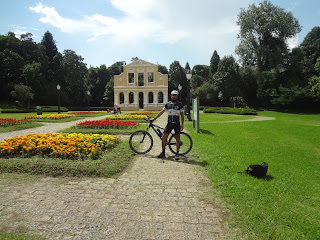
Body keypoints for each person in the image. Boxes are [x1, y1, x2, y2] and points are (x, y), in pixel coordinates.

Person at [151, 90, 184, 160]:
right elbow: (161, 112)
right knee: (163, 138)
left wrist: (182, 124)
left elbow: (182, 115)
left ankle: (177, 153)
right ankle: (163, 152)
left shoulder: (180, 105)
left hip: (176, 124)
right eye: (172, 95)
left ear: (177, 96)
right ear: (171, 96)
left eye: (175, 95)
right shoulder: (167, 104)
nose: (173, 96)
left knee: (178, 139)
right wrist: (154, 118)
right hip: (169, 124)